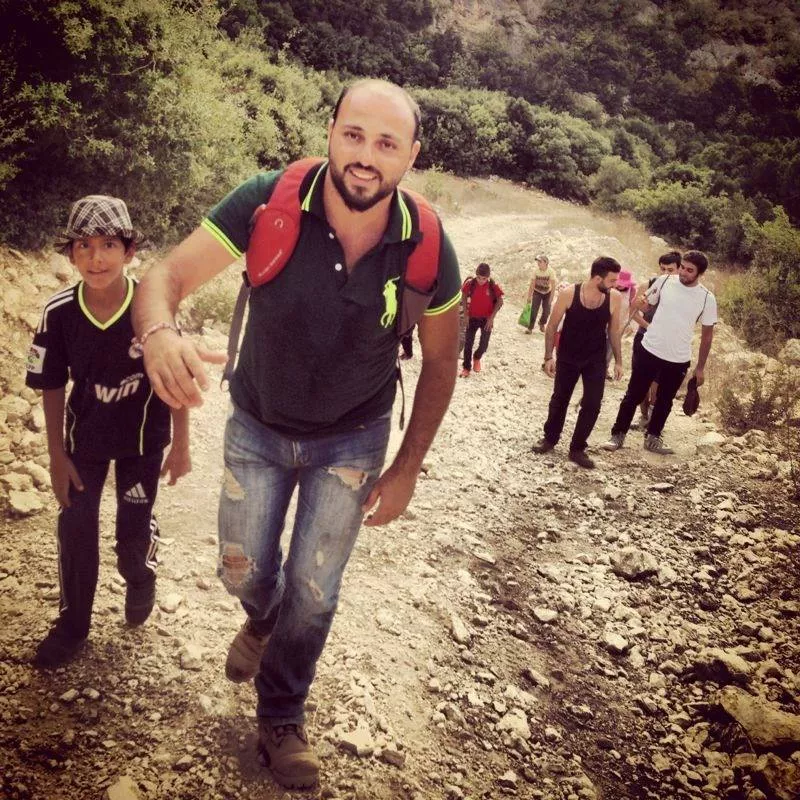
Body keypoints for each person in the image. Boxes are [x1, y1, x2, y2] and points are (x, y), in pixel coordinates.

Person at [132, 79, 461, 790]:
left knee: (317, 591)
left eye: (386, 143)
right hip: (256, 425)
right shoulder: (268, 200)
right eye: (353, 135)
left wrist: (407, 466)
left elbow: (441, 361)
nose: (365, 156)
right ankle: (263, 617)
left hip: (354, 439)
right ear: (331, 131)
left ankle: (282, 714)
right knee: (241, 570)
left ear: (412, 156)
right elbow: (167, 275)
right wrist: (159, 333)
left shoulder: (428, 243)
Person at [24, 195, 191, 668]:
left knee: (130, 543)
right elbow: (51, 383)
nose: (96, 258)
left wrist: (181, 444)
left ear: (129, 251)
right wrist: (56, 457)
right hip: (85, 443)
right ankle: (72, 627)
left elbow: (177, 377)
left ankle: (141, 575)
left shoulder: (151, 310)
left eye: (109, 245)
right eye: (84, 246)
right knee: (76, 529)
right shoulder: (59, 313)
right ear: (71, 254)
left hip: (142, 441)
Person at [602, 250, 717, 455]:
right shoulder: (664, 281)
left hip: (679, 358)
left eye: (689, 270)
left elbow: (707, 336)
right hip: (650, 349)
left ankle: (653, 438)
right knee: (633, 395)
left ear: (701, 274)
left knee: (665, 401)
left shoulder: (707, 298)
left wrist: (700, 368)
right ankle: (618, 434)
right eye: (682, 267)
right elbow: (645, 307)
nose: (683, 273)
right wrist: (639, 304)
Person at [531, 257, 624, 469]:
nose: (615, 284)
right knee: (560, 399)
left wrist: (619, 361)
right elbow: (551, 326)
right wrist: (548, 357)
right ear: (597, 278)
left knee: (593, 403)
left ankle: (577, 448)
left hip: (595, 359)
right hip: (568, 356)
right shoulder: (569, 293)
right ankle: (550, 438)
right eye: (611, 280)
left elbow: (614, 330)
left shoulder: (614, 298)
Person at [629, 251, 681, 428]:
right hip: (644, 337)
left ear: (679, 269)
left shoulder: (684, 291)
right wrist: (649, 327)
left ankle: (653, 421)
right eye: (662, 269)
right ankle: (643, 416)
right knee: (640, 380)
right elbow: (633, 312)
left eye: (670, 270)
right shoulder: (650, 284)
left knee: (658, 383)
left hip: (667, 342)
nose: (666, 273)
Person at [459, 262, 504, 377]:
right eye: (479, 277)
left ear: (488, 277)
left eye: (484, 278)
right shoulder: (470, 284)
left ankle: (477, 357)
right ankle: (466, 367)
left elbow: (500, 301)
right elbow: (463, 295)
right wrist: (466, 314)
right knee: (468, 343)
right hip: (472, 318)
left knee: (484, 345)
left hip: (486, 320)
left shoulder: (493, 286)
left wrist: (491, 318)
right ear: (476, 275)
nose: (481, 281)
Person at [605, 268, 637, 377]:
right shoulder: (610, 287)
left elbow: (633, 308)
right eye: (618, 283)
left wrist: (631, 324)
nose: (619, 286)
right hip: (605, 320)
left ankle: (605, 368)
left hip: (620, 324)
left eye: (622, 285)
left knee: (611, 346)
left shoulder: (632, 291)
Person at [525, 254, 556, 333]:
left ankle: (542, 323)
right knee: (534, 311)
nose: (538, 263)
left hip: (547, 293)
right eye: (537, 261)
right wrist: (529, 297)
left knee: (547, 311)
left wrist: (551, 298)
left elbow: (553, 286)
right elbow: (532, 284)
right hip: (537, 292)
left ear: (546, 263)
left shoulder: (551, 271)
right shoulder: (536, 271)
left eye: (540, 261)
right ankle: (530, 328)